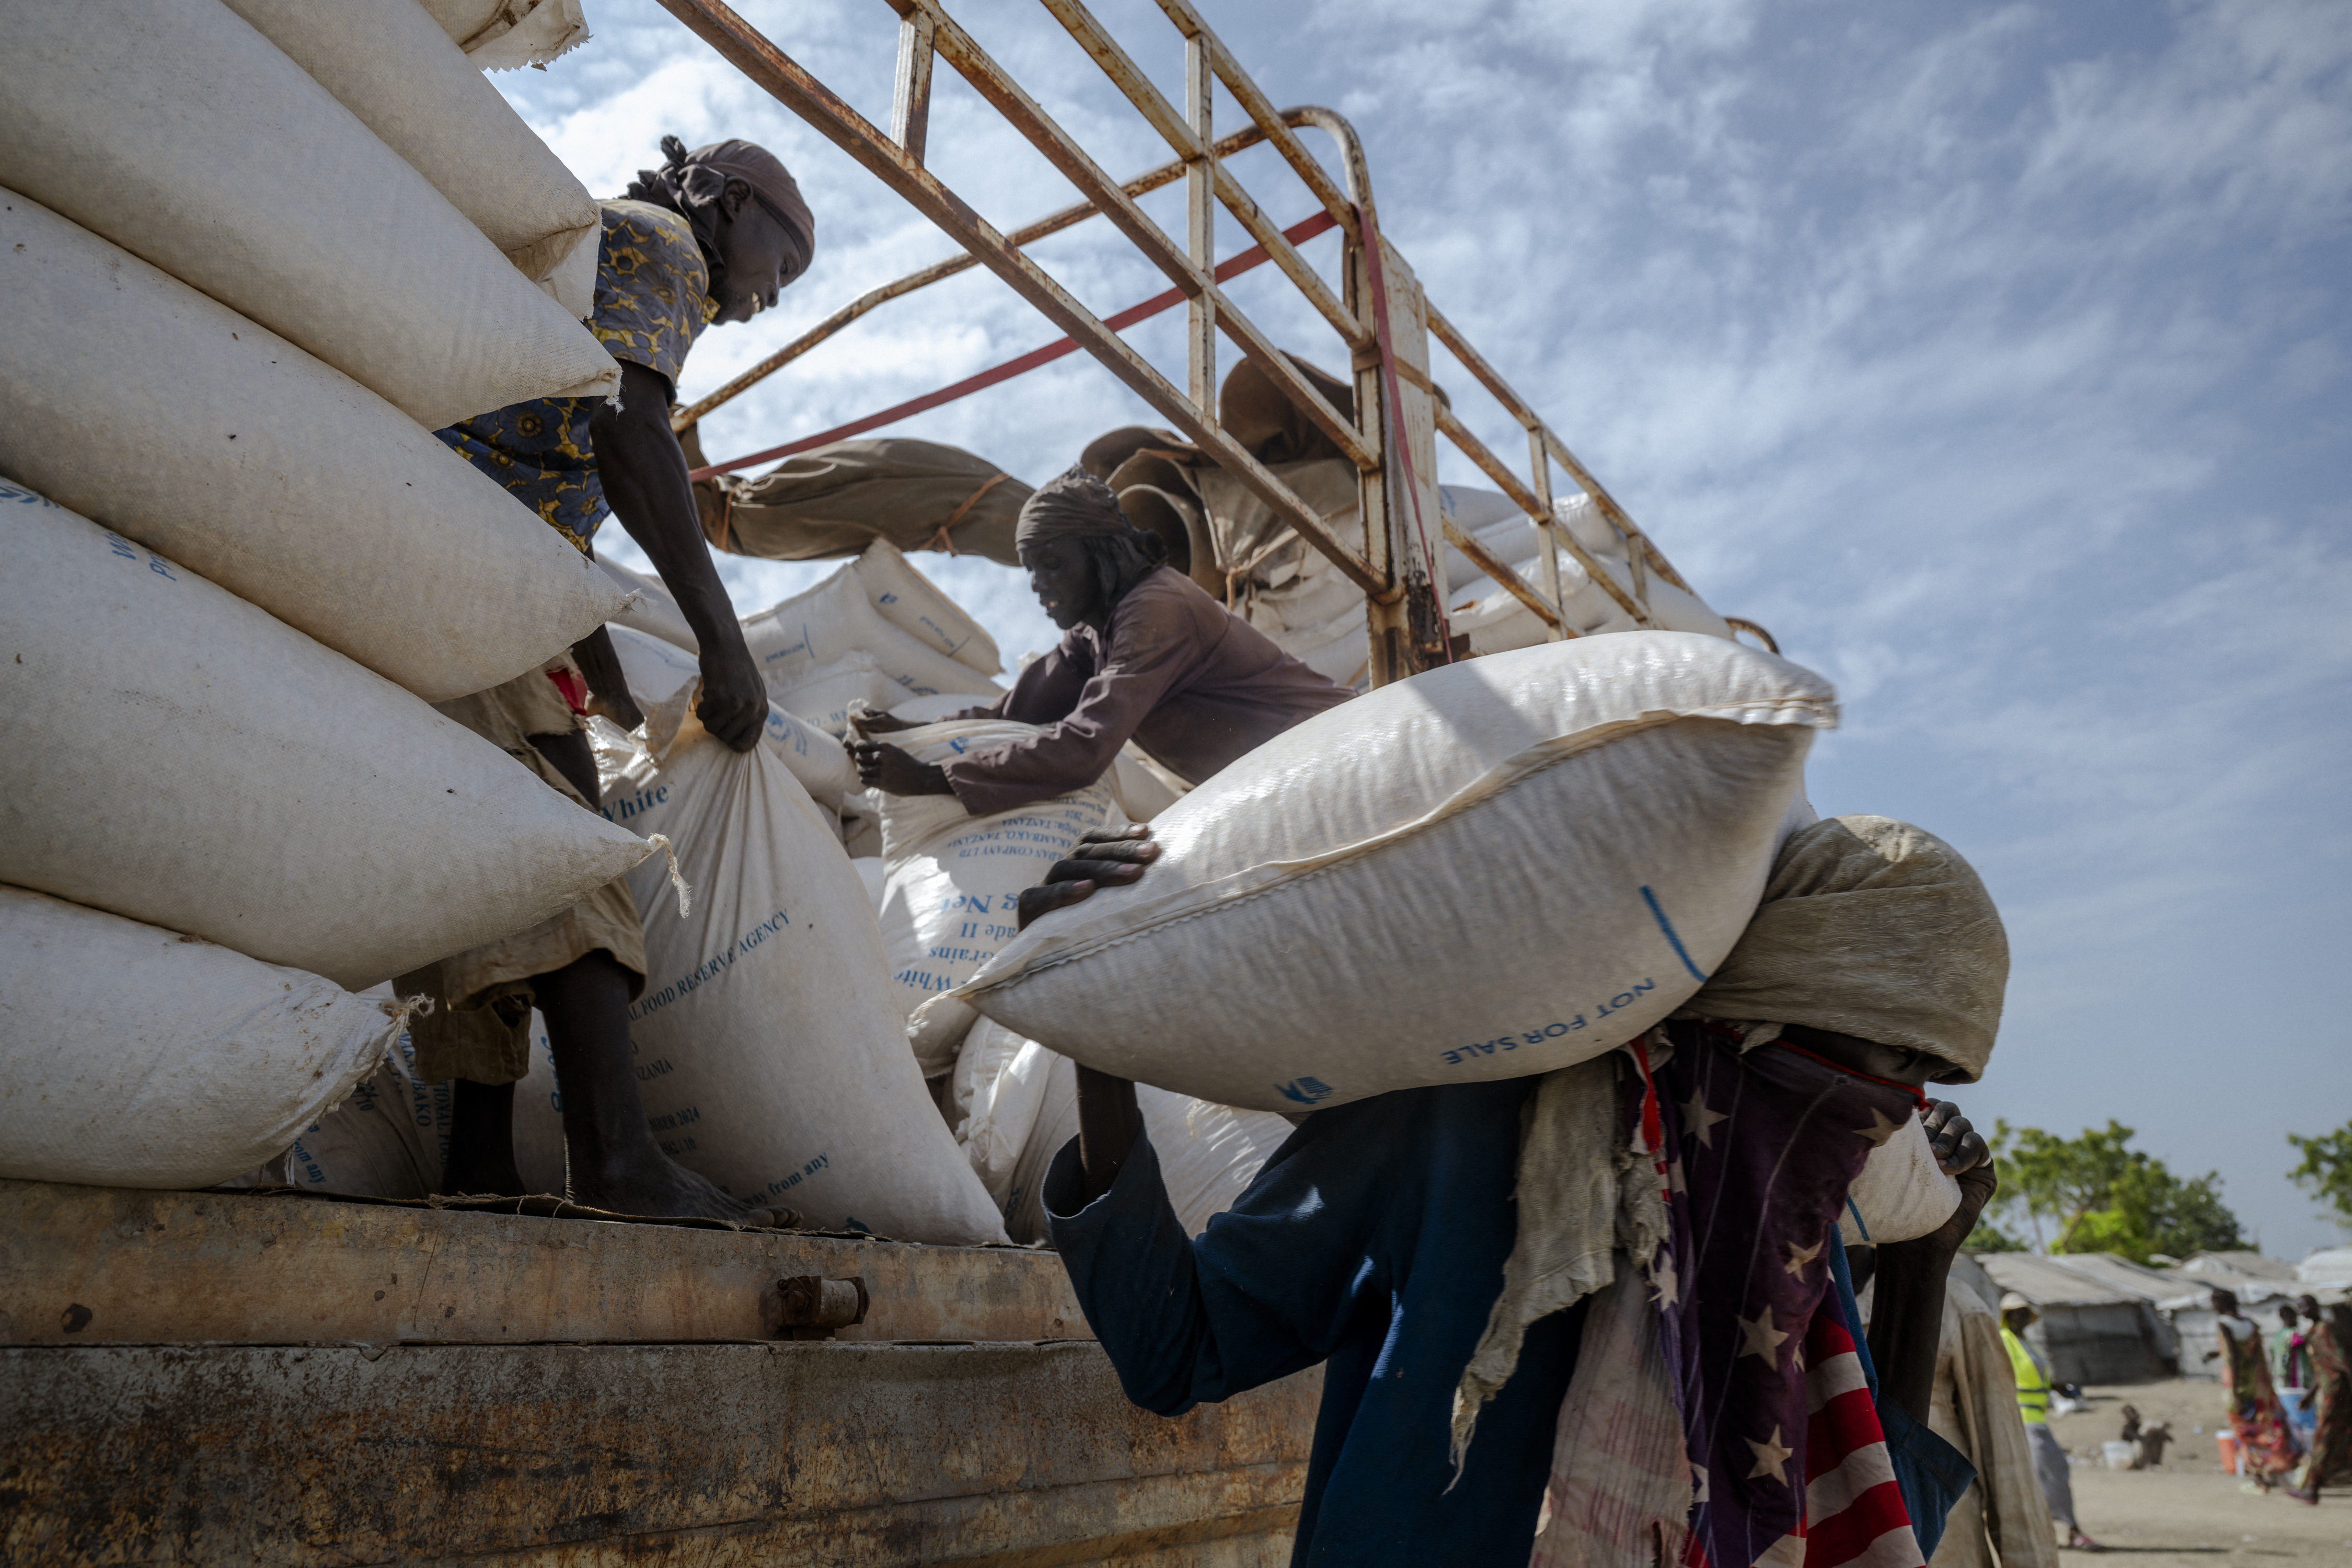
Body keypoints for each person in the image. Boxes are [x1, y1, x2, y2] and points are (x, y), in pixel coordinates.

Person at [1017, 813, 2002, 1565]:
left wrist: (1926, 1259)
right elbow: (1176, 1349)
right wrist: (1092, 1024)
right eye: (1885, 1062)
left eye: (1924, 1082)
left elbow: (1867, 1524)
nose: (1898, 1111)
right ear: (1779, 1005)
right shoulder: (1463, 1121)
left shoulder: (1782, 1215)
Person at [400, 135, 815, 1217]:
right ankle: (619, 1161)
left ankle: (481, 1162)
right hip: (466, 571)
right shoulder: (659, 243)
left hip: (455, 564)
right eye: (785, 259)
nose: (772, 296)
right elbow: (632, 433)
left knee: (482, 878)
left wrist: (621, 699)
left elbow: (565, 523)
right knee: (564, 855)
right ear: (725, 205)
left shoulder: (594, 255)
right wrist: (722, 641)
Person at [847, 467, 1350, 815]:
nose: (1039, 584)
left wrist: (934, 780)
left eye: (1054, 563)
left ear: (1101, 553)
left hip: (1336, 751)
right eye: (1031, 570)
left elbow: (1086, 745)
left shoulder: (1156, 611)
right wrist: (910, 731)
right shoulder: (1093, 632)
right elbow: (1016, 713)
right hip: (1284, 777)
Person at [1998, 1294, 2100, 1549]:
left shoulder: (2027, 1342)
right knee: (2053, 1470)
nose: (2020, 1316)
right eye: (2015, 1312)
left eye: (2024, 1311)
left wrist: (2058, 1388)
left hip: (2036, 1418)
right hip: (2020, 1418)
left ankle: (2055, 1530)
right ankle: (2072, 1530)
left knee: (2042, 1474)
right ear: (2007, 1316)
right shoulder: (2003, 1341)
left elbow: (2034, 1377)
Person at [2201, 1287, 2300, 1491]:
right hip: (2258, 1387)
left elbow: (2234, 1358)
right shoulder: (2249, 1324)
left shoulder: (2224, 1325)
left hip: (2238, 1387)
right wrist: (2216, 1353)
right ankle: (2271, 1468)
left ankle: (2258, 1478)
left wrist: (2235, 1392)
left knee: (2245, 1433)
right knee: (2263, 1429)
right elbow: (2248, 1354)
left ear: (2220, 1303)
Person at [2284, 1294, 2351, 1503]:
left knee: (2324, 1438)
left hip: (2336, 1394)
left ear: (2315, 1306)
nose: (2302, 1310)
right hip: (2330, 1391)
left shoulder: (2325, 1330)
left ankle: (2312, 1488)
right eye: (2300, 1307)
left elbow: (2343, 1362)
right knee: (2339, 1437)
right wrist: (2310, 1395)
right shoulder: (2313, 1332)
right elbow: (2322, 1368)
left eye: (2305, 1305)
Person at [2272, 1301, 2316, 1452]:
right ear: (2288, 1316)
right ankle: (2308, 1456)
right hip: (2296, 1386)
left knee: (2292, 1424)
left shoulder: (2277, 1336)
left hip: (2281, 1387)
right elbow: (2307, 1343)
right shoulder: (2293, 1334)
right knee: (2306, 1425)